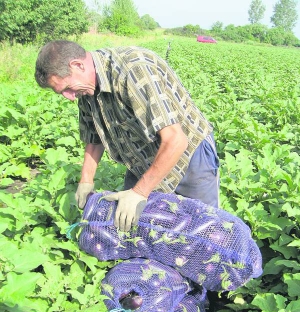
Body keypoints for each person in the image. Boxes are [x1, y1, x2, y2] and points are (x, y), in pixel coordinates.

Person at [35, 40, 219, 231]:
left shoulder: (134, 70)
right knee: (133, 227)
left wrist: (139, 192)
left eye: (67, 88)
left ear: (78, 65)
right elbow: (93, 135)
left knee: (203, 226)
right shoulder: (86, 86)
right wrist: (86, 180)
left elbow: (176, 140)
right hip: (140, 153)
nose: (69, 97)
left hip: (189, 155)